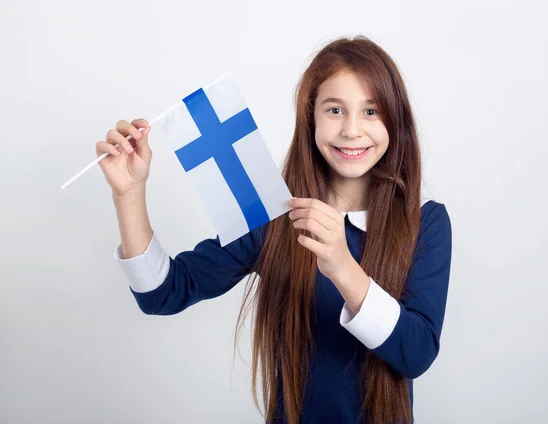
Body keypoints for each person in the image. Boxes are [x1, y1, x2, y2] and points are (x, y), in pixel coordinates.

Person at [96, 35, 452, 424]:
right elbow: (163, 293)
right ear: (310, 118)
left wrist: (342, 265)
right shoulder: (274, 218)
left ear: (394, 121)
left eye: (371, 111)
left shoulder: (425, 223)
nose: (352, 130)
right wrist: (129, 195)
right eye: (335, 109)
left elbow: (416, 354)